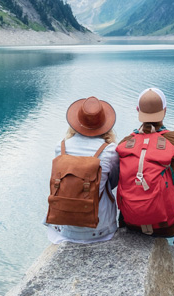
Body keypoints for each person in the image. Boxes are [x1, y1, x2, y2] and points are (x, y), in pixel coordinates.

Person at [118, 88, 174, 266]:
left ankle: (124, 230)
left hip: (132, 223)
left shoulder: (125, 143)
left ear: (137, 111)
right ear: (164, 111)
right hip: (168, 225)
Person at [45, 96, 120, 244]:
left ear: (76, 123)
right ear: (105, 124)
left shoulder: (61, 147)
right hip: (100, 229)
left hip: (63, 228)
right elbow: (113, 183)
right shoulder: (110, 150)